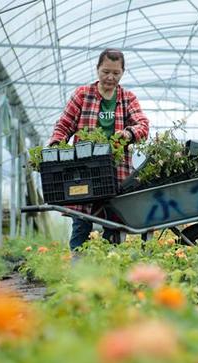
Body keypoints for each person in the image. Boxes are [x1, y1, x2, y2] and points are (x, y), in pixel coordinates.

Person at [48, 48, 149, 251]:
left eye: (115, 73)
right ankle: (78, 273)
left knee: (112, 223)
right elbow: (64, 125)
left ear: (122, 72)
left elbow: (143, 125)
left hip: (115, 172)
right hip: (84, 171)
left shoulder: (128, 98)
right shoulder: (83, 95)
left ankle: (107, 272)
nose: (110, 77)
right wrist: (56, 146)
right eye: (105, 72)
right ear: (97, 69)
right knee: (81, 222)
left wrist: (129, 133)